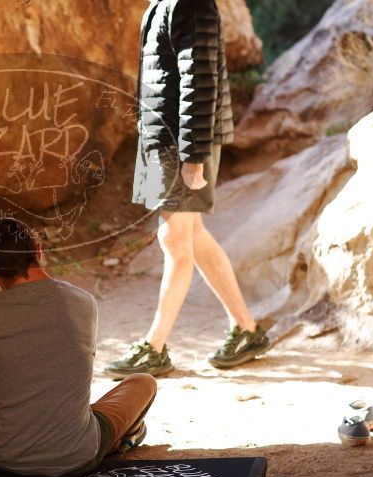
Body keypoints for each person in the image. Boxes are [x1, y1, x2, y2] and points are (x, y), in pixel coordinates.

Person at [106, 0, 270, 379]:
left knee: (175, 240)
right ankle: (247, 329)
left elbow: (200, 79)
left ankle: (155, 347)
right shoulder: (162, 4)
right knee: (191, 236)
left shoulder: (191, 4)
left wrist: (193, 156)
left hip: (182, 142)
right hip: (167, 137)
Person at [0, 218, 157, 477]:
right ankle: (121, 438)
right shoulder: (83, 303)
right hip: (76, 455)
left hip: (3, 457)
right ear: (38, 250)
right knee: (143, 383)